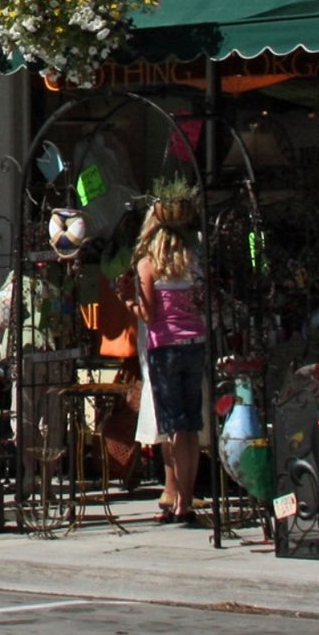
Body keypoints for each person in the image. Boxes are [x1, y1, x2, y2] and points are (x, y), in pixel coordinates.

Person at [122, 200, 207, 526]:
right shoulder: (193, 262)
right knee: (190, 427)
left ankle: (177, 499)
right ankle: (186, 498)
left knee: (172, 427)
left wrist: (127, 300)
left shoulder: (148, 265)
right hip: (194, 343)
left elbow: (148, 313)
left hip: (165, 348)